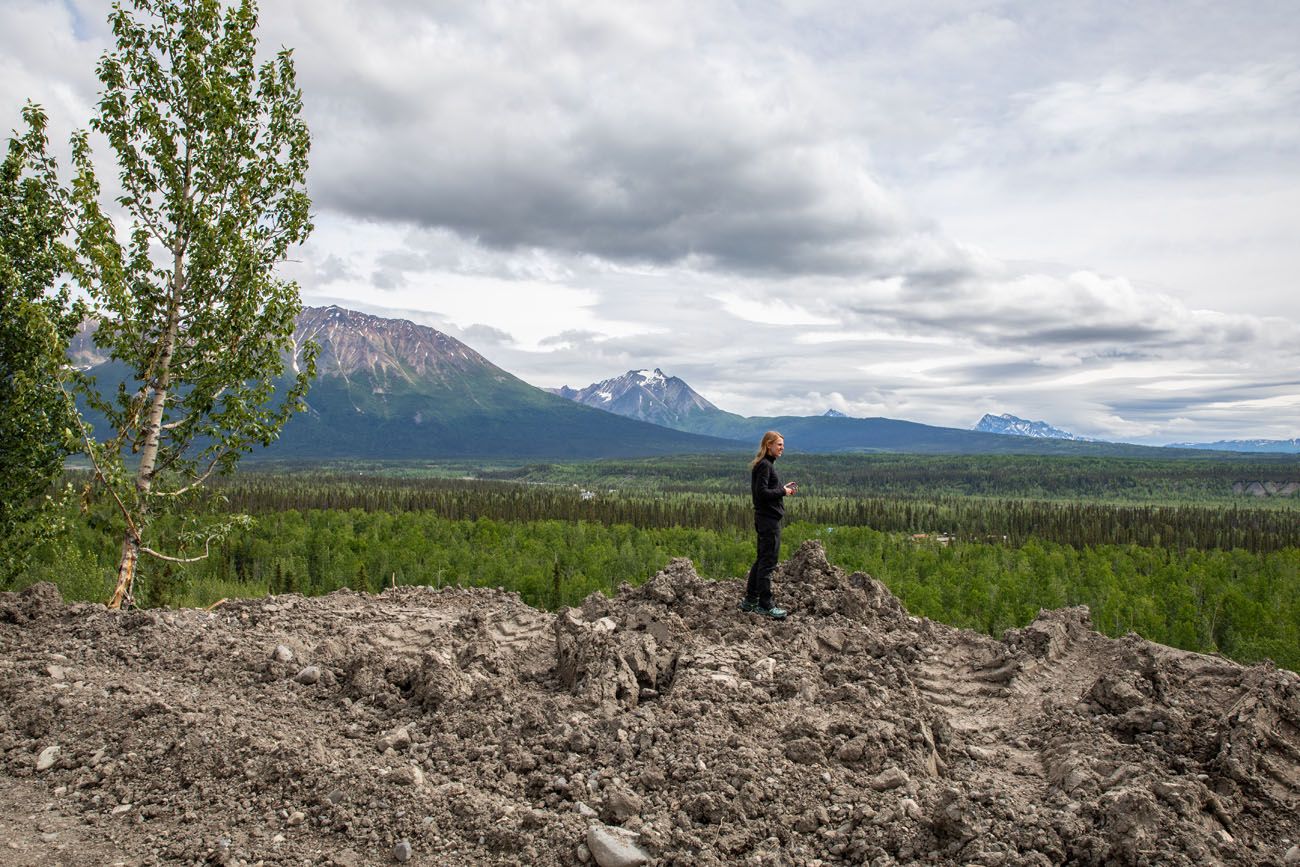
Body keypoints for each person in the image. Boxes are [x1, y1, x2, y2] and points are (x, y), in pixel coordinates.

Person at [740, 430, 797, 619]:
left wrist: (782, 488)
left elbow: (765, 490)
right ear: (769, 445)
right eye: (779, 444)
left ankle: (750, 600)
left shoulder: (765, 465)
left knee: (761, 559)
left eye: (783, 444)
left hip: (765, 519)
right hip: (768, 521)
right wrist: (783, 491)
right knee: (768, 562)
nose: (782, 448)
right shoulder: (765, 465)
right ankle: (766, 604)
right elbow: (762, 493)